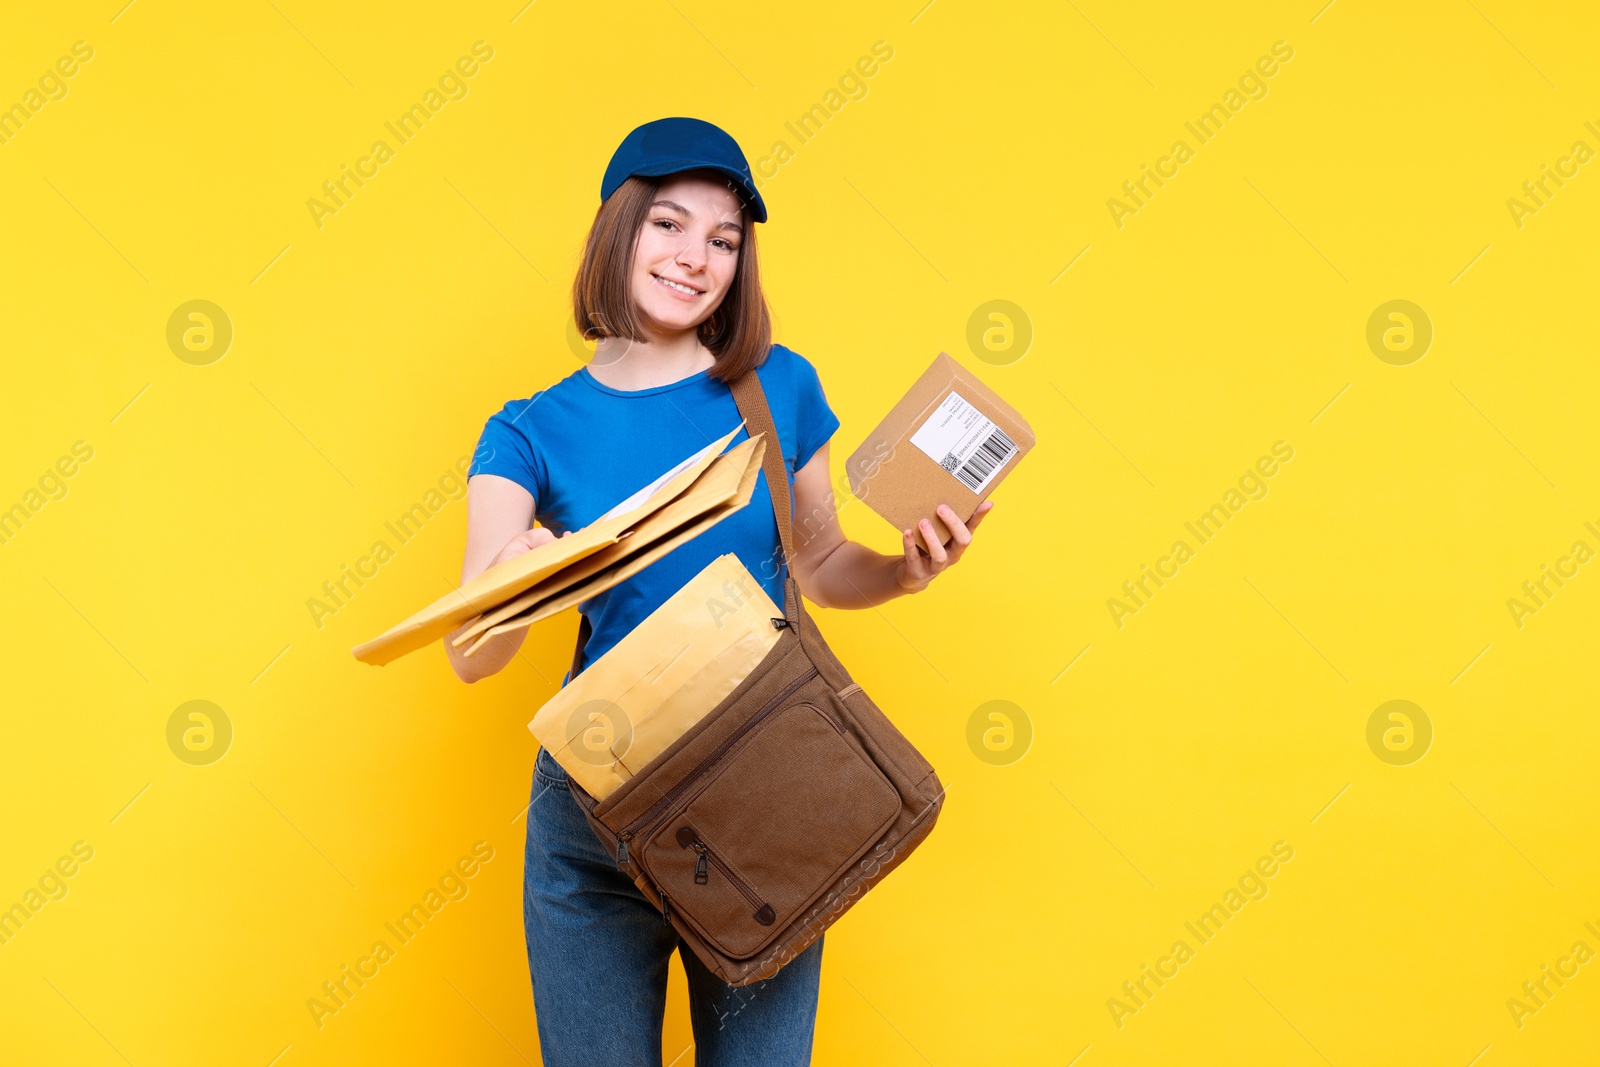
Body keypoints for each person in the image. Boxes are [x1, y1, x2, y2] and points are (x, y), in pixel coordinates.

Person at [443, 116, 994, 1067]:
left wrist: (903, 570)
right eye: (668, 224)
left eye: (724, 239)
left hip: (761, 781)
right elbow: (469, 655)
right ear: (617, 232)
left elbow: (820, 565)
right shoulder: (530, 429)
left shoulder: (776, 388)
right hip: (596, 807)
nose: (695, 257)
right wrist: (514, 581)